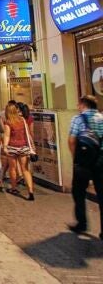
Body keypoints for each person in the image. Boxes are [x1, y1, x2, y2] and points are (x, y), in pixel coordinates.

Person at [67, 95, 103, 239]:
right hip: (100, 159)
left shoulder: (78, 119)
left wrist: (75, 158)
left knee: (78, 192)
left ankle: (82, 223)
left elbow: (71, 140)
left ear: (83, 104)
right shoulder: (101, 118)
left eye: (79, 104)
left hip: (83, 160)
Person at [3, 102, 35, 201]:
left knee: (12, 168)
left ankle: (14, 188)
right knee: (25, 169)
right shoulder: (23, 120)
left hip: (12, 147)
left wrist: (5, 146)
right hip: (23, 147)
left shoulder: (8, 122)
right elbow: (27, 133)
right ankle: (30, 191)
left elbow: (7, 135)